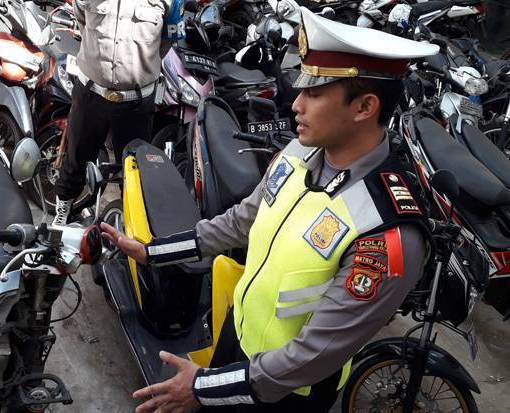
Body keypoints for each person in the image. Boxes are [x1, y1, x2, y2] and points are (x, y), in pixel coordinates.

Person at [100, 6, 439, 412]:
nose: (296, 105)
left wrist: (204, 388)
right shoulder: (300, 151)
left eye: (314, 93)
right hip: (235, 340)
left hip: (285, 393)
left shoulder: (387, 230)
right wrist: (152, 252)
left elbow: (313, 354)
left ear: (364, 107)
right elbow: (241, 220)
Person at [53, 0, 187, 225]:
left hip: (136, 103)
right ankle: (62, 215)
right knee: (74, 162)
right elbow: (82, 21)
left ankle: (129, 229)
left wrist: (140, 68)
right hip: (90, 95)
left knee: (134, 174)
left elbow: (168, 39)